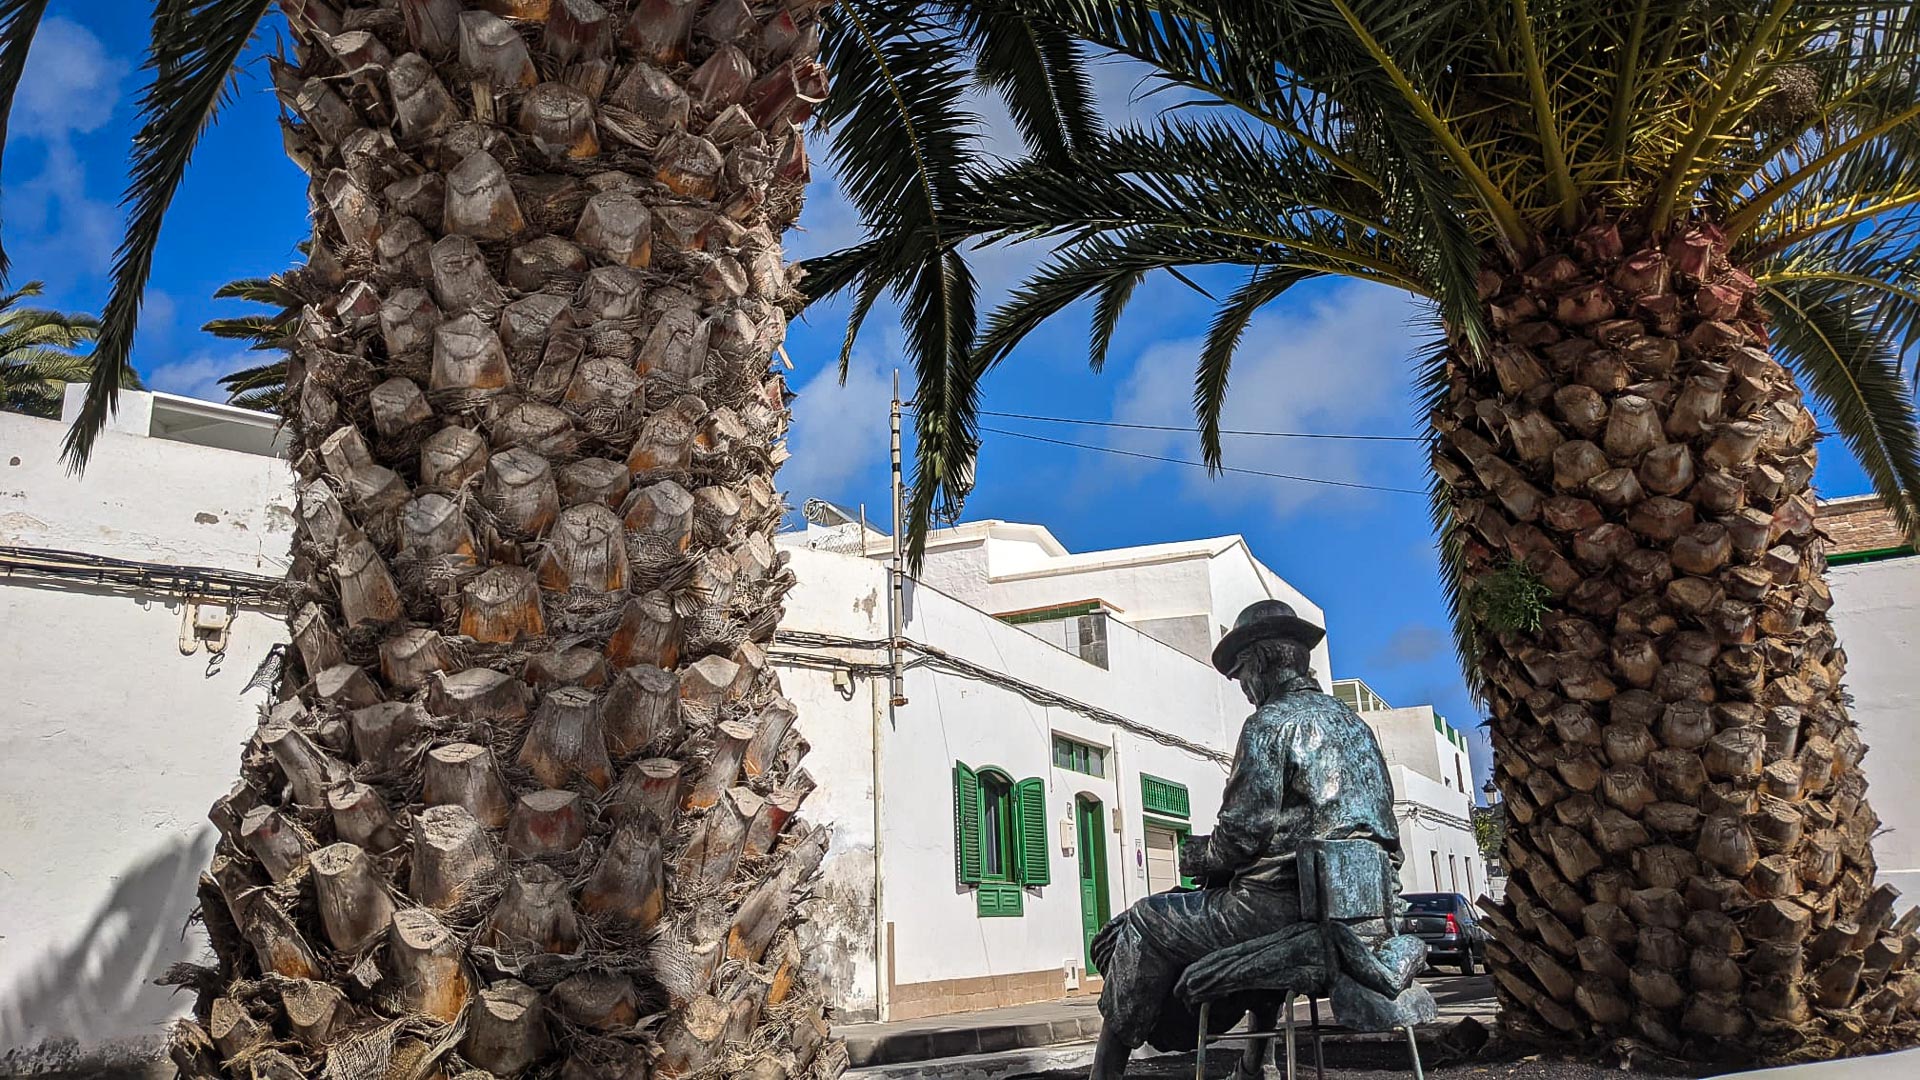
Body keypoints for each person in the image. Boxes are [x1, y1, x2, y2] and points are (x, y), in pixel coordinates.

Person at [1089, 600, 1401, 1079]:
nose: (1244, 690)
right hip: (1359, 908)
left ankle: (1106, 1071)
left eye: (1240, 676)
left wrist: (1194, 856)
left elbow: (1240, 836)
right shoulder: (1357, 728)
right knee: (1248, 901)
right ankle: (1256, 1061)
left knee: (1146, 919)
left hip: (1274, 909)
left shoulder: (1269, 726)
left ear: (1258, 663)